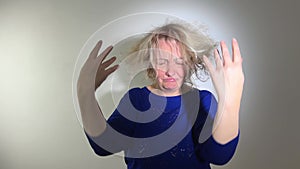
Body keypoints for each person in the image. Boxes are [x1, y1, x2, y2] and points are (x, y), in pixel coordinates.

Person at [77, 22, 244, 169]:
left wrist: (230, 101)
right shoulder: (137, 99)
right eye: (162, 61)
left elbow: (219, 156)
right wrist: (85, 93)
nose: (170, 71)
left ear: (191, 62)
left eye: (179, 61)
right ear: (150, 64)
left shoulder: (202, 100)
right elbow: (104, 146)